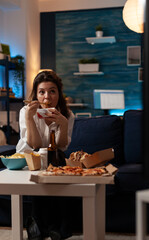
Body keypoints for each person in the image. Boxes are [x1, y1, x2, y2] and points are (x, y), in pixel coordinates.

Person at [16, 70, 75, 240]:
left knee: (58, 161)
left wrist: (63, 124)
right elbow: (34, 145)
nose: (46, 96)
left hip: (54, 157)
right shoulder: (26, 111)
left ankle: (46, 225)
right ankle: (48, 226)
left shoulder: (68, 114)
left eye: (52, 91)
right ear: (36, 94)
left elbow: (61, 145)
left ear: (59, 93)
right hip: (31, 157)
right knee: (40, 171)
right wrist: (29, 117)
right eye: (41, 92)